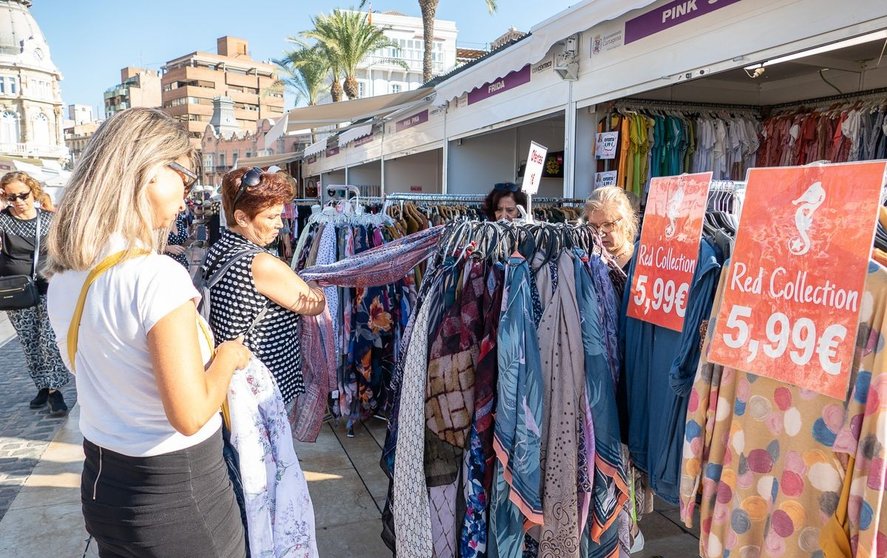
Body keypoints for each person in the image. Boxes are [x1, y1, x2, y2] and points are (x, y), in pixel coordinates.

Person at [45, 108, 250, 557]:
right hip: (178, 494)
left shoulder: (64, 277)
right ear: (150, 172)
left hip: (104, 485)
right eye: (186, 180)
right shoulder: (155, 276)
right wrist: (229, 357)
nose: (186, 200)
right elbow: (191, 413)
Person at [203, 167, 326, 406]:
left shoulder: (219, 249)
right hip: (263, 387)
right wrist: (314, 283)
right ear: (241, 217)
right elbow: (313, 304)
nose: (279, 224)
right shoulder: (260, 263)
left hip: (233, 383)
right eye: (270, 217)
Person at [0, 171, 70, 416]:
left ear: (33, 192)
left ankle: (55, 392)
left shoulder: (49, 221)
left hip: (50, 288)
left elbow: (64, 251)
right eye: (11, 197)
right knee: (30, 343)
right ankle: (42, 385)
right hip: (17, 293)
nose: (18, 201)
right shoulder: (2, 221)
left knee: (50, 341)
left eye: (23, 195)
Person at [584, 186, 640, 270]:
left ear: (626, 222)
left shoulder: (641, 261)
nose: (600, 233)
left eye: (607, 224)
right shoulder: (586, 259)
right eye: (594, 226)